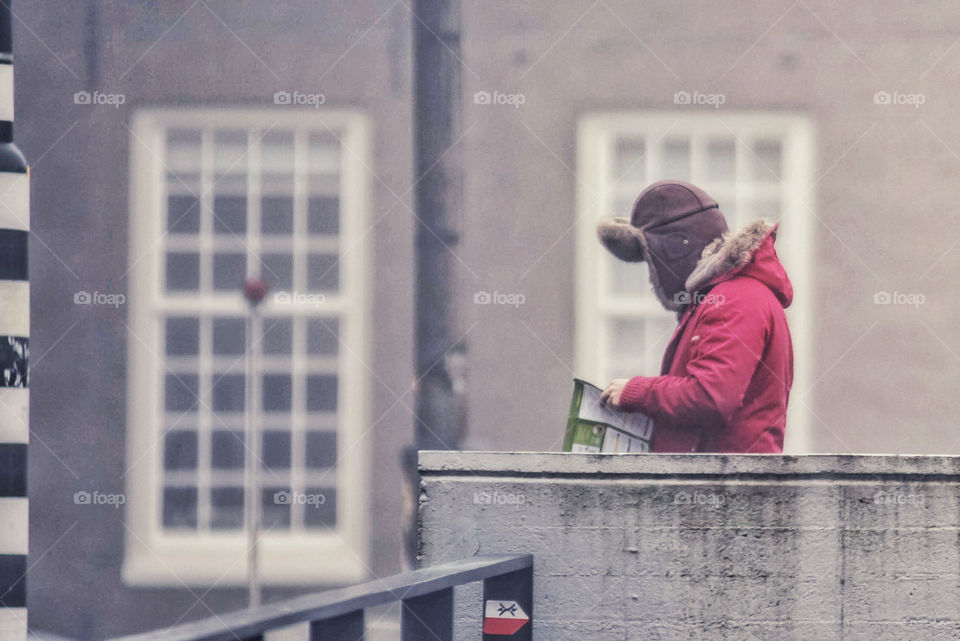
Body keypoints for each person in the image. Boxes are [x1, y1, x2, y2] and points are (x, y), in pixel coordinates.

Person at [596, 180, 793, 453]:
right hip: (719, 483)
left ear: (677, 250)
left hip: (726, 488)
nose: (653, 276)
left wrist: (637, 392)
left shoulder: (734, 300)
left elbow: (711, 397)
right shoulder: (726, 296)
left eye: (652, 259)